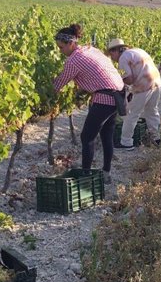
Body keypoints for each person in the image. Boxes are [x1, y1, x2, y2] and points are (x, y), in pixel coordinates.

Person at [53, 24, 125, 184]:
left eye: (62, 47)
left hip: (104, 98)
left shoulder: (74, 60)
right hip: (117, 94)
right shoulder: (90, 49)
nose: (60, 51)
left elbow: (58, 85)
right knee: (106, 134)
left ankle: (85, 175)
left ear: (71, 43)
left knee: (87, 137)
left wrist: (42, 92)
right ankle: (106, 172)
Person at [106, 38, 161, 150]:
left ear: (115, 51)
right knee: (152, 110)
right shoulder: (137, 50)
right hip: (156, 82)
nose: (112, 59)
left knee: (131, 114)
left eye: (111, 55)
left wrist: (118, 81)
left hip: (144, 86)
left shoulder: (123, 58)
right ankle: (156, 138)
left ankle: (126, 143)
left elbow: (130, 79)